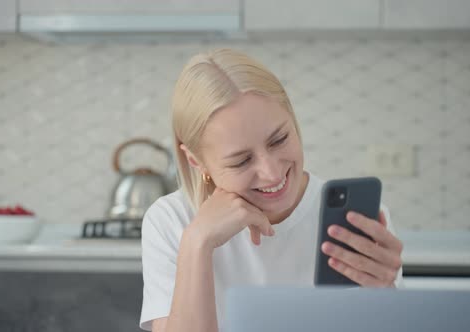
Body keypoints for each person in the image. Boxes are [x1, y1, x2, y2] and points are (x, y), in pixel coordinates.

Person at [139, 48, 404, 332]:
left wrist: (385, 295)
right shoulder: (172, 220)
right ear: (196, 161)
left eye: (279, 140)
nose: (272, 173)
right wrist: (197, 243)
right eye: (241, 160)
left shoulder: (357, 220)